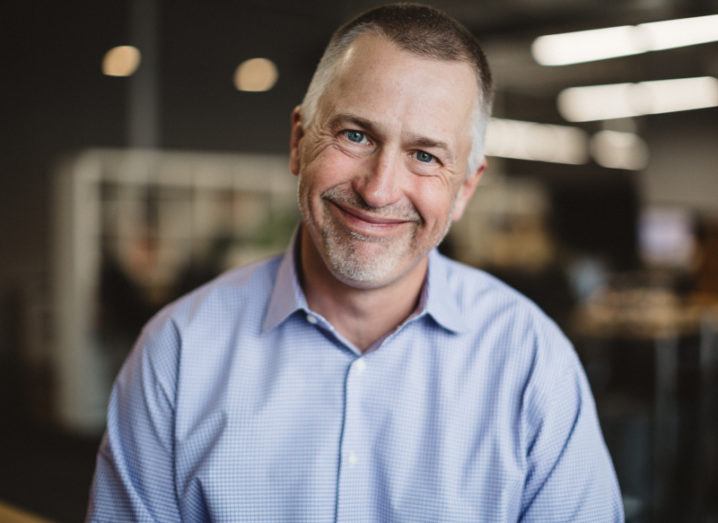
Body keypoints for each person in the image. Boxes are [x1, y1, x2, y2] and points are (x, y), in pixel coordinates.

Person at [86, 4, 623, 521]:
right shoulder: (178, 354)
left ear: (465, 189)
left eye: (425, 156)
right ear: (299, 142)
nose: (378, 190)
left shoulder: (531, 363)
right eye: (355, 135)